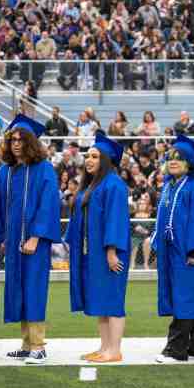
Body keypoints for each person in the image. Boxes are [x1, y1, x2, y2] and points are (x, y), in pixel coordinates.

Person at [0, 114, 61, 364]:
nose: (17, 144)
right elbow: (0, 207)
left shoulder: (43, 169)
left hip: (35, 243)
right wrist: (1, 236)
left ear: (31, 142)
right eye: (12, 139)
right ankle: (26, 344)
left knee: (33, 291)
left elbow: (48, 204)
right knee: (18, 291)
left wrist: (35, 236)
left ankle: (39, 346)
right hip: (12, 243)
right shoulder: (5, 172)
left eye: (22, 139)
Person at [152, 134, 194, 363]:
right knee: (191, 296)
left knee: (186, 297)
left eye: (179, 158)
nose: (173, 160)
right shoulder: (170, 187)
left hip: (190, 253)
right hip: (173, 252)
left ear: (190, 162)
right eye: (170, 156)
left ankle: (176, 349)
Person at [65, 130, 130, 363]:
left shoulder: (114, 185)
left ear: (106, 160)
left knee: (112, 302)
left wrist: (111, 252)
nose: (89, 160)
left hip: (108, 255)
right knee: (100, 302)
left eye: (94, 156)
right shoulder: (91, 185)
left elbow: (115, 220)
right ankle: (104, 348)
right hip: (93, 254)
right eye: (88, 156)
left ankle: (115, 350)